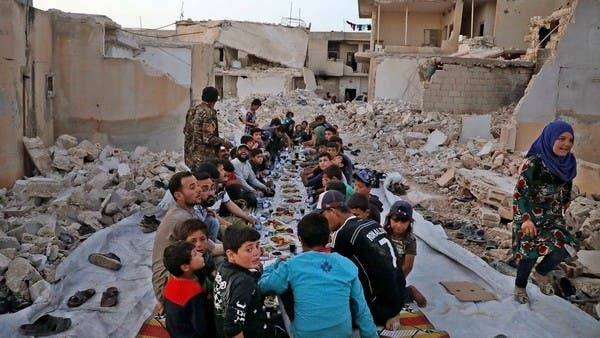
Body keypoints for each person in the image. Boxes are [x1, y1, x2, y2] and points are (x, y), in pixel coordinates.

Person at [258, 213, 378, 338]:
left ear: (300, 239)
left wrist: (275, 264)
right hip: (342, 334)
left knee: (281, 288)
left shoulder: (291, 265)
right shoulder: (347, 264)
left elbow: (264, 286)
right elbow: (362, 310)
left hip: (305, 335)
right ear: (329, 237)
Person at [317, 190, 406, 329]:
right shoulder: (371, 223)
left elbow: (333, 273)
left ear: (332, 211)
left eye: (323, 217)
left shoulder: (343, 234)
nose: (323, 223)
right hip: (399, 296)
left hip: (379, 306)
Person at [512, 120, 578, 304]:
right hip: (529, 216)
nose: (566, 144)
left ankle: (540, 273)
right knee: (529, 253)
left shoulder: (568, 163)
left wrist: (566, 205)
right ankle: (520, 285)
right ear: (550, 139)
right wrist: (525, 220)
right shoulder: (534, 163)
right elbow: (520, 194)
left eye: (570, 140)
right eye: (561, 138)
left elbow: (566, 188)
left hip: (552, 217)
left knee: (567, 247)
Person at [152, 171, 224, 306]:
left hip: (179, 268)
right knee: (222, 265)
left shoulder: (186, 210)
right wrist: (240, 245)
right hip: (167, 284)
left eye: (197, 185)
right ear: (178, 195)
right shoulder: (181, 218)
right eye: (192, 187)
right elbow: (213, 249)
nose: (198, 190)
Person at [214, 226, 286, 338]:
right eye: (249, 249)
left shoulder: (223, 267)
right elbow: (232, 328)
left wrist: (273, 266)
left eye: (257, 246)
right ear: (231, 255)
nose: (257, 252)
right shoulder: (244, 283)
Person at [383, 201, 427, 307]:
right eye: (395, 220)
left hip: (397, 275)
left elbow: (407, 266)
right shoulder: (382, 234)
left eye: (403, 222)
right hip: (381, 272)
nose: (399, 225)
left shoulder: (409, 241)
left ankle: (410, 291)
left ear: (409, 223)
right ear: (389, 219)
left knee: (419, 300)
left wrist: (396, 280)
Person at [162, 241, 209, 337]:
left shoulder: (169, 283)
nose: (200, 254)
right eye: (195, 254)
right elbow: (200, 325)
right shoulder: (193, 291)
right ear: (185, 267)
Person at [184, 86, 233, 173]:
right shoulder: (209, 113)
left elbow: (186, 131)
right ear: (215, 99)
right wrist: (225, 142)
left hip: (191, 156)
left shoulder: (192, 110)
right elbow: (208, 138)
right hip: (204, 158)